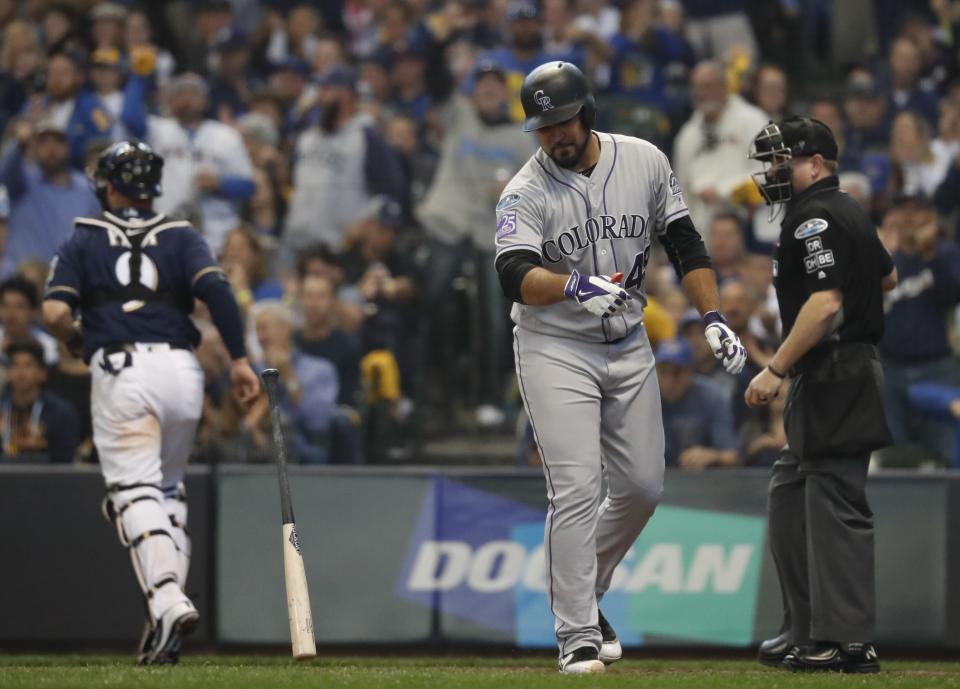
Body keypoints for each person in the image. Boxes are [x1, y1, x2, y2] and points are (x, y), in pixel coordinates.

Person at [494, 62, 746, 674]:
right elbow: (513, 273)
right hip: (555, 345)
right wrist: (575, 287)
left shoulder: (644, 160)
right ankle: (576, 632)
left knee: (641, 488)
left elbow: (685, 241)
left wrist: (712, 315)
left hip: (628, 340)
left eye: (562, 119)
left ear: (587, 111)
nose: (554, 134)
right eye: (543, 125)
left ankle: (586, 591)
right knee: (577, 487)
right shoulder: (523, 191)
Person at [41, 141, 260, 665]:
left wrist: (77, 340)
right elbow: (220, 293)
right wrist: (239, 361)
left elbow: (52, 313)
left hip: (124, 371)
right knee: (167, 491)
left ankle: (165, 599)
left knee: (132, 491)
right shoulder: (182, 236)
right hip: (182, 371)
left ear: (110, 185)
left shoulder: (83, 237)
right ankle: (166, 623)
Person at [745, 117, 897, 673]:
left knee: (835, 504)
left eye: (780, 162)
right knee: (790, 495)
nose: (771, 174)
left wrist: (775, 368)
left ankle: (846, 642)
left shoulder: (815, 216)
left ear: (814, 164)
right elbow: (887, 277)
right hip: (837, 374)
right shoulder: (848, 208)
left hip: (836, 375)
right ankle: (806, 627)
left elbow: (827, 302)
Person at [0, 118, 101, 277]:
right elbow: (4, 173)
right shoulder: (22, 180)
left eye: (58, 141)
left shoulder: (87, 190)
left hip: (66, 284)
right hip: (19, 283)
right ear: (34, 148)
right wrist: (20, 143)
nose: (51, 148)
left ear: (68, 146)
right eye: (43, 142)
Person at [656, 337, 739, 469]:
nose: (669, 380)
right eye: (663, 372)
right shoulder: (645, 398)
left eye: (677, 372)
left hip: (701, 482)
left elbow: (732, 456)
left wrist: (712, 456)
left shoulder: (712, 396)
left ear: (690, 371)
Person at [0, 339, 80, 463]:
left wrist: (42, 446)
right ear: (8, 373)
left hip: (47, 479)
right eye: (15, 365)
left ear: (42, 373)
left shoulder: (61, 413)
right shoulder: (2, 408)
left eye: (28, 365)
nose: (21, 373)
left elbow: (66, 460)